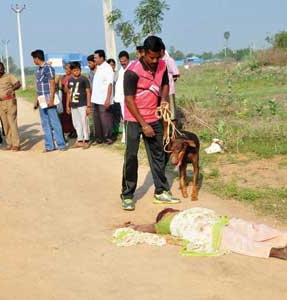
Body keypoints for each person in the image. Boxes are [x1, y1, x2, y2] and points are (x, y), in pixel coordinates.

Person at [121, 36, 180, 211]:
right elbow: (129, 100)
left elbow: (165, 85)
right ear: (143, 53)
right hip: (134, 119)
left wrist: (163, 101)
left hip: (154, 116)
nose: (155, 61)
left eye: (158, 57)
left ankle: (161, 191)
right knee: (131, 157)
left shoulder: (162, 65)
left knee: (158, 155)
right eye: (151, 57)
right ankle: (128, 195)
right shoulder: (132, 71)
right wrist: (143, 124)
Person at [126, 207, 287, 259]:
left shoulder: (171, 222)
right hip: (222, 221)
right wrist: (137, 227)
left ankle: (274, 251)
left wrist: (134, 227)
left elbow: (149, 228)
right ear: (167, 214)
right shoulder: (168, 221)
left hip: (210, 229)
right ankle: (280, 239)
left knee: (242, 243)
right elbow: (152, 226)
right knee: (253, 229)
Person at [31, 49, 66, 152]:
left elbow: (52, 84)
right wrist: (36, 100)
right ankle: (49, 146)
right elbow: (38, 86)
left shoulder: (48, 68)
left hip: (48, 96)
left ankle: (61, 144)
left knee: (54, 121)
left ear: (37, 58)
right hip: (41, 97)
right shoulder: (38, 70)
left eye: (33, 58)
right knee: (45, 122)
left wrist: (51, 99)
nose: (33, 60)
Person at [0, 62, 21, 151]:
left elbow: (18, 84)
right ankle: (9, 144)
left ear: (4, 69)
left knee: (12, 122)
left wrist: (12, 89)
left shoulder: (9, 76)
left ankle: (16, 144)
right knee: (5, 124)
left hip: (10, 101)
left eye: (0, 70)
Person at [66, 62, 91, 149]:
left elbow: (88, 92)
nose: (76, 72)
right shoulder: (70, 80)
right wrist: (67, 105)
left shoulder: (84, 79)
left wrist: (88, 105)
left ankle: (86, 140)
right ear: (72, 71)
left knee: (84, 122)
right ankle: (79, 139)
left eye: (78, 70)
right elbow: (69, 93)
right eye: (74, 70)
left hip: (82, 104)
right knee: (76, 123)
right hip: (73, 105)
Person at [91, 49, 114, 145]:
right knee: (97, 120)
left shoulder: (107, 68)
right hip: (96, 99)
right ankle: (99, 138)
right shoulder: (98, 68)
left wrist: (108, 99)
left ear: (102, 58)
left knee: (105, 120)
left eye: (96, 58)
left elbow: (110, 84)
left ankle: (108, 138)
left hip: (104, 99)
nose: (94, 59)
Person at [113, 51, 131, 144]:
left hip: (131, 98)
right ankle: (125, 136)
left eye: (124, 61)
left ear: (128, 60)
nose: (123, 63)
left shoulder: (132, 69)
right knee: (125, 118)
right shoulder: (120, 71)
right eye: (121, 61)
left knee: (132, 118)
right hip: (121, 99)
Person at [161, 49, 180, 126]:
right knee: (164, 113)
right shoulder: (158, 61)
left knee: (172, 113)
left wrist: (169, 83)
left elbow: (176, 75)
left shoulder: (169, 60)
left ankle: (174, 133)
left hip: (169, 91)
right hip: (160, 92)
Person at [58, 63, 75, 137]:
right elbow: (60, 86)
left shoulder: (73, 77)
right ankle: (68, 130)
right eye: (65, 69)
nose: (66, 70)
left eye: (67, 69)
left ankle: (74, 130)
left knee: (71, 114)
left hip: (71, 96)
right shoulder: (64, 77)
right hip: (64, 96)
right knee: (64, 114)